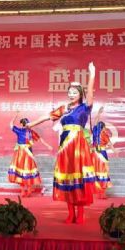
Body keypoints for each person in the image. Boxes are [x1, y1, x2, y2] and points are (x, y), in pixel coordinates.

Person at [27, 62, 97, 224]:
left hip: (78, 145)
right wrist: (31, 124)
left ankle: (80, 213)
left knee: (78, 178)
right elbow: (47, 116)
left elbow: (90, 93)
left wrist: (92, 75)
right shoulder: (64, 108)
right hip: (65, 146)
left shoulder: (85, 107)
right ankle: (70, 213)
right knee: (66, 177)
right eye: (69, 92)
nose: (71, 95)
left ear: (80, 94)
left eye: (74, 92)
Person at [7, 112, 52, 197]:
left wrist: (47, 145)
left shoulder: (28, 132)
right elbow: (11, 125)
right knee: (21, 172)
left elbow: (39, 139)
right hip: (21, 154)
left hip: (26, 153)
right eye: (25, 123)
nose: (26, 125)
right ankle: (23, 190)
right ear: (22, 124)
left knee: (27, 171)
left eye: (26, 123)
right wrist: (16, 115)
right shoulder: (21, 131)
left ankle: (28, 189)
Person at [92, 106, 114, 199]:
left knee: (96, 172)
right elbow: (110, 144)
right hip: (102, 154)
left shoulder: (95, 132)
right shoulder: (104, 134)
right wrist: (114, 150)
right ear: (103, 127)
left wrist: (98, 113)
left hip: (95, 155)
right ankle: (102, 193)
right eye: (105, 127)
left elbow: (95, 121)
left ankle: (98, 192)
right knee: (104, 172)